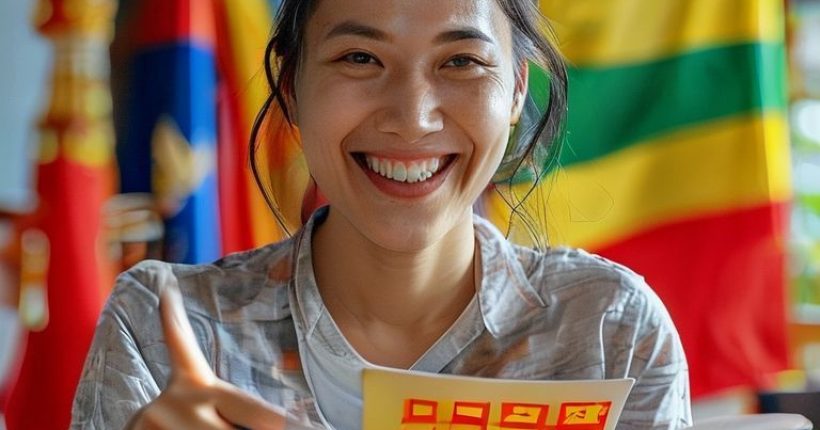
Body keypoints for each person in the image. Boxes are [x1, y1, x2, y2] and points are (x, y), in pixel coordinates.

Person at [71, 0, 692, 428]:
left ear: (517, 92)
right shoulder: (163, 330)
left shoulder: (610, 328)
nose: (412, 116)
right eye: (360, 58)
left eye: (461, 61)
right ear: (291, 89)